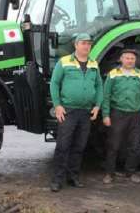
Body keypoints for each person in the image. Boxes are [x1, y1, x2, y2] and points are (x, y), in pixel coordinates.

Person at [49, 33, 103, 192]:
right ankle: (57, 180)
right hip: (68, 111)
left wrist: (97, 105)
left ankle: (73, 177)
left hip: (86, 112)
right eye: (83, 43)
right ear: (76, 45)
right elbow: (54, 83)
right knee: (63, 146)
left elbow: (99, 86)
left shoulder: (94, 64)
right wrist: (57, 105)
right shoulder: (64, 62)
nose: (87, 46)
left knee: (79, 146)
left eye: (89, 44)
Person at [101, 49, 140, 185]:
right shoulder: (113, 74)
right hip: (118, 113)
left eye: (132, 58)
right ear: (121, 59)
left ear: (135, 61)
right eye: (127, 58)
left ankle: (131, 172)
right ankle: (109, 173)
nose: (130, 60)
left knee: (134, 145)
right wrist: (105, 115)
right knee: (113, 144)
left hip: (136, 114)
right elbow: (106, 96)